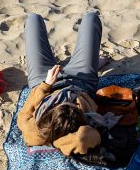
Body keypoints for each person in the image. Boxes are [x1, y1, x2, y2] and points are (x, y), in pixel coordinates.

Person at [17, 11, 104, 156]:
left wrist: (46, 84)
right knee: (91, 18)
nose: (65, 99)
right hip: (81, 79)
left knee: (33, 19)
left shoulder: (37, 131)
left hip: (43, 79)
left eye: (58, 104)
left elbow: (23, 116)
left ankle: (91, 61)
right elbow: (83, 139)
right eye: (72, 104)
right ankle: (91, 62)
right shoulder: (89, 124)